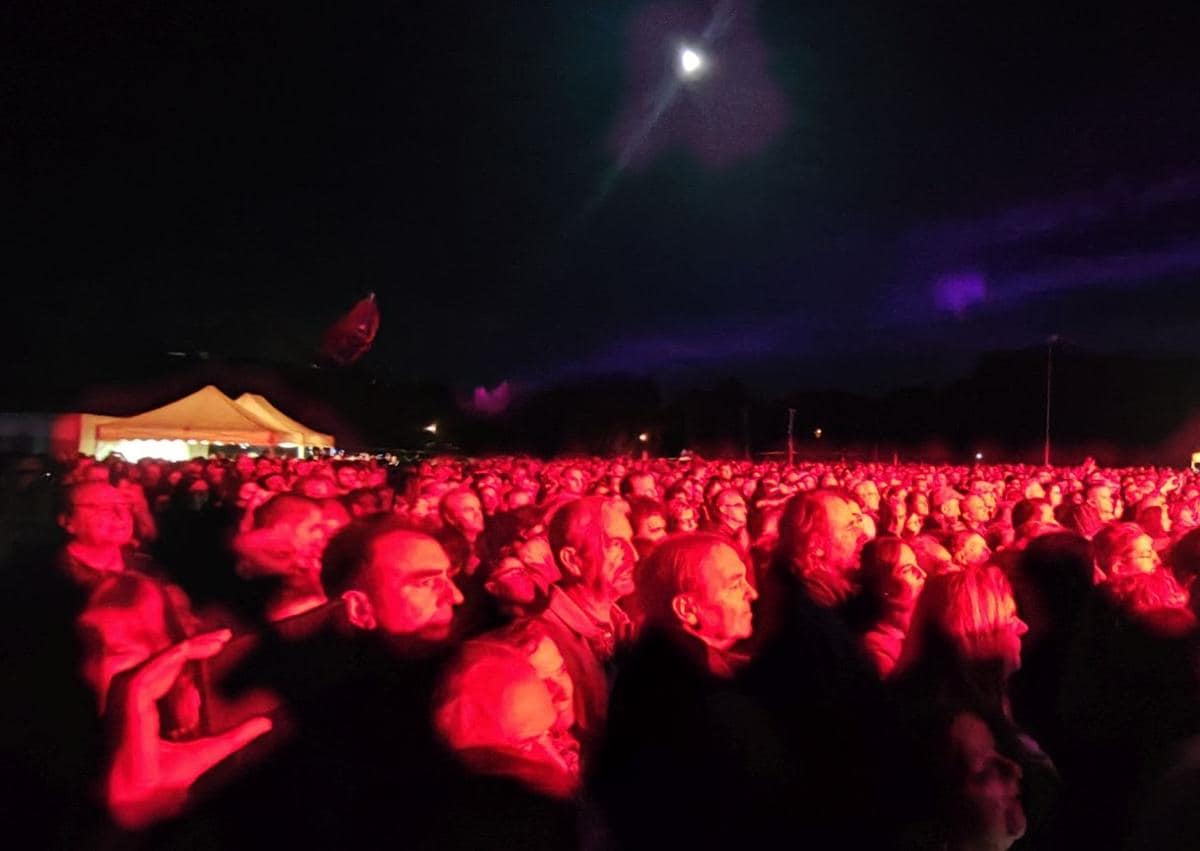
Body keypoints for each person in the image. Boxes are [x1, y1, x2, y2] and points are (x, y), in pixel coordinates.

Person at [593, 534, 776, 851]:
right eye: (734, 585)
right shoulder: (682, 693)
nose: (753, 593)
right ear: (686, 608)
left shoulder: (669, 662)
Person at [535, 496, 637, 744]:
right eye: (615, 544)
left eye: (630, 542)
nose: (633, 555)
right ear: (572, 560)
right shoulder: (543, 645)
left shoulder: (621, 623)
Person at [854, 536, 926, 677]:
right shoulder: (877, 649)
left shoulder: (923, 626)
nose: (923, 573)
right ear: (883, 588)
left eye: (916, 564)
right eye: (907, 570)